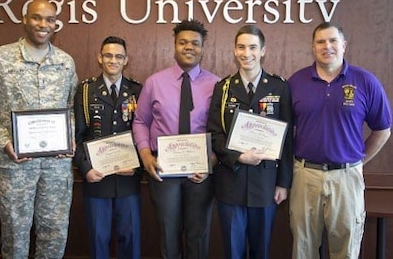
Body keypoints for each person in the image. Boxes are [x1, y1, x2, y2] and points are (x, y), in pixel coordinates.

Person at [0, 0, 78, 258]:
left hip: (56, 166)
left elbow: (71, 108)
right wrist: (5, 142)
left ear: (56, 24)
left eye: (50, 19)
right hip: (14, 167)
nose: (43, 24)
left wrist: (69, 136)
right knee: (15, 235)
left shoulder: (65, 62)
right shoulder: (0, 58)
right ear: (24, 19)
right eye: (37, 17)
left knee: (55, 234)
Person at [288, 22, 392, 259]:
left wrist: (358, 161)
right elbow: (283, 130)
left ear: (343, 45)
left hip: (347, 178)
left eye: (333, 41)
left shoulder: (366, 81)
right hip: (305, 176)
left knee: (346, 249)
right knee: (303, 249)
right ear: (313, 48)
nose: (327, 46)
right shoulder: (296, 82)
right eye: (321, 42)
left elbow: (383, 130)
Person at [132, 19, 219, 259]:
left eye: (195, 43)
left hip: (201, 171)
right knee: (168, 233)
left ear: (203, 48)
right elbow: (140, 122)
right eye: (183, 42)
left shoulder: (217, 85)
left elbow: (222, 129)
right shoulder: (154, 82)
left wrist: (212, 160)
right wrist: (145, 155)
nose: (189, 47)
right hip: (163, 169)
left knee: (197, 233)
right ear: (174, 46)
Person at [206, 25, 293, 259]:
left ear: (263, 51)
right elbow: (214, 133)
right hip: (230, 183)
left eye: (253, 47)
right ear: (234, 51)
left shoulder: (280, 87)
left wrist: (283, 183)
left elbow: (287, 139)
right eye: (241, 47)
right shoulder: (223, 88)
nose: (247, 53)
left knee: (261, 249)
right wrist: (239, 156)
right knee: (233, 251)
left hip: (266, 184)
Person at [73, 36, 142, 259]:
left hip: (128, 179)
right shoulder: (85, 91)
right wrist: (86, 169)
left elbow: (144, 133)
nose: (113, 60)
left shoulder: (136, 91)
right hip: (97, 178)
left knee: (130, 240)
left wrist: (137, 165)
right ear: (99, 58)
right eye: (108, 55)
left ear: (126, 60)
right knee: (97, 239)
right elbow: (78, 135)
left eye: (118, 56)